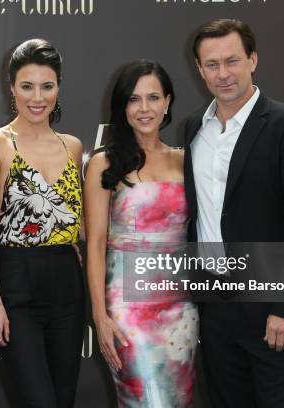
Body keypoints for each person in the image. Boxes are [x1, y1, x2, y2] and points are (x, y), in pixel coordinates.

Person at [184, 19, 284, 407]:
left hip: (273, 308)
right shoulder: (194, 129)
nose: (223, 73)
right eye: (211, 64)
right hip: (216, 307)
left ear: (253, 60)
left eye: (232, 61)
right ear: (199, 69)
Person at [0, 39, 85, 408]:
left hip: (67, 286)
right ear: (12, 88)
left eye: (47, 86)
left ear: (58, 88)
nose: (37, 97)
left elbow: (77, 223)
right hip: (16, 285)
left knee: (63, 399)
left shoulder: (73, 146)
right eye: (27, 86)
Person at [85, 60, 199, 407]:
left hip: (180, 307)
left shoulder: (186, 160)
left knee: (177, 400)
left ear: (168, 102)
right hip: (128, 309)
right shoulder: (104, 163)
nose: (144, 108)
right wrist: (100, 316)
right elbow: (95, 244)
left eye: (153, 97)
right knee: (145, 400)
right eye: (134, 99)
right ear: (123, 106)